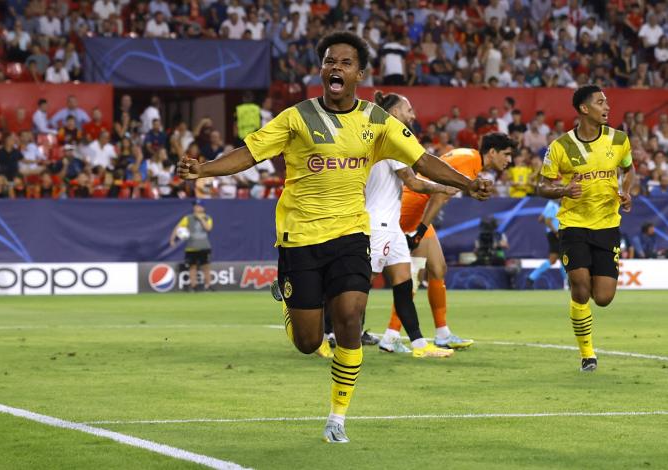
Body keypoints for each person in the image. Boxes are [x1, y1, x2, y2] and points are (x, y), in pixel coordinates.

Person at [177, 31, 492, 444]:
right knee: (309, 342)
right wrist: (204, 169)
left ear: (359, 73)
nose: (335, 68)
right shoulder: (295, 117)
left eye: (344, 63)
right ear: (322, 70)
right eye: (329, 61)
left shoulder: (377, 121)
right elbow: (249, 153)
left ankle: (336, 419)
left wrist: (467, 184)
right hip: (300, 237)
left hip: (350, 234)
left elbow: (423, 160)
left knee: (349, 321)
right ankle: (293, 308)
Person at [538, 85, 635, 372]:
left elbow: (628, 169)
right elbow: (541, 185)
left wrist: (626, 191)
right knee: (580, 289)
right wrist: (563, 189)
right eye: (601, 102)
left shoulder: (619, 140)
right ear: (584, 109)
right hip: (573, 224)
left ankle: (585, 311)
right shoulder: (560, 147)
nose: (607, 107)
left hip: (607, 224)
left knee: (603, 297)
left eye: (607, 102)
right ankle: (587, 354)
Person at [385, 133, 514, 349]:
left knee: (438, 268)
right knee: (412, 275)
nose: (509, 160)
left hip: (417, 211)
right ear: (492, 152)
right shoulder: (471, 160)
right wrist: (420, 230)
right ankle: (390, 336)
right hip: (409, 212)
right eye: (507, 154)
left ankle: (442, 334)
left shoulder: (467, 155)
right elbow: (440, 196)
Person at [368, 91, 456, 359]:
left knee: (405, 284)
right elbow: (414, 182)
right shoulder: (391, 138)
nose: (414, 115)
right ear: (394, 113)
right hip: (377, 224)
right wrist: (446, 186)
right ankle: (328, 334)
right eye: (409, 110)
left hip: (390, 225)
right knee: (359, 286)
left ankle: (419, 345)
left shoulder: (387, 136)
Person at [170, 199, 214, 292]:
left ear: (203, 208)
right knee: (192, 266)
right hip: (191, 247)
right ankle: (194, 286)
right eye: (195, 206)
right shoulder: (188, 218)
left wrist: (201, 218)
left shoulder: (208, 218)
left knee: (206, 266)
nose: (196, 208)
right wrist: (172, 239)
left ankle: (208, 285)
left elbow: (208, 228)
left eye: (198, 206)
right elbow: (178, 228)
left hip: (204, 246)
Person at [526, 199, 568, 288]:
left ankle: (568, 283)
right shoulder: (552, 205)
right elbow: (547, 221)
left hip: (553, 234)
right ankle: (531, 278)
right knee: (556, 259)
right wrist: (556, 232)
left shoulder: (551, 204)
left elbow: (541, 218)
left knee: (561, 259)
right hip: (555, 234)